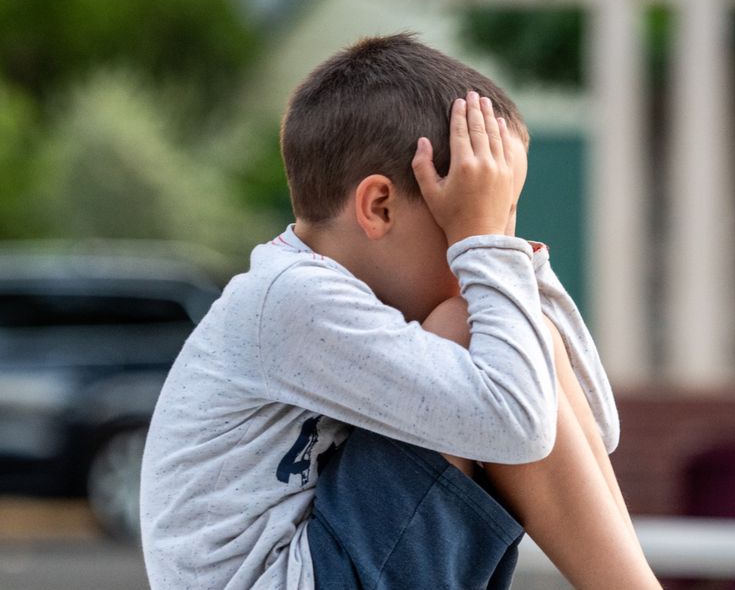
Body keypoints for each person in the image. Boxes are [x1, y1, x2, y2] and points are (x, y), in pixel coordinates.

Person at [140, 33, 658, 589]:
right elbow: (524, 428)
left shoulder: (331, 298)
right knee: (466, 330)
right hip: (290, 576)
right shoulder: (291, 298)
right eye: (459, 225)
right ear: (379, 206)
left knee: (500, 342)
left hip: (328, 563)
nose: (474, 253)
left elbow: (591, 430)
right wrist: (485, 246)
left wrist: (507, 252)